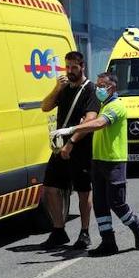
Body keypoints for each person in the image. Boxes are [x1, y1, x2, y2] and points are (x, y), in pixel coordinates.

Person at [52, 72, 139, 256]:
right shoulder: (103, 105)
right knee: (100, 203)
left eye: (102, 86)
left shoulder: (117, 107)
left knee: (117, 203)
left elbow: (98, 124)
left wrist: (71, 128)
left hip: (114, 162)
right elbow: (91, 122)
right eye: (97, 85)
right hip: (98, 161)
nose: (99, 89)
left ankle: (137, 224)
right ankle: (108, 242)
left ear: (112, 88)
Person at [38, 51, 99, 251]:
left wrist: (71, 142)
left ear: (82, 67)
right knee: (50, 188)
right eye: (68, 67)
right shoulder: (63, 89)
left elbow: (90, 120)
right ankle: (58, 230)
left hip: (79, 148)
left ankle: (84, 232)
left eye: (74, 67)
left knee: (83, 191)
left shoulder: (90, 90)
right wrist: (57, 88)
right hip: (59, 148)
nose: (70, 71)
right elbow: (45, 107)